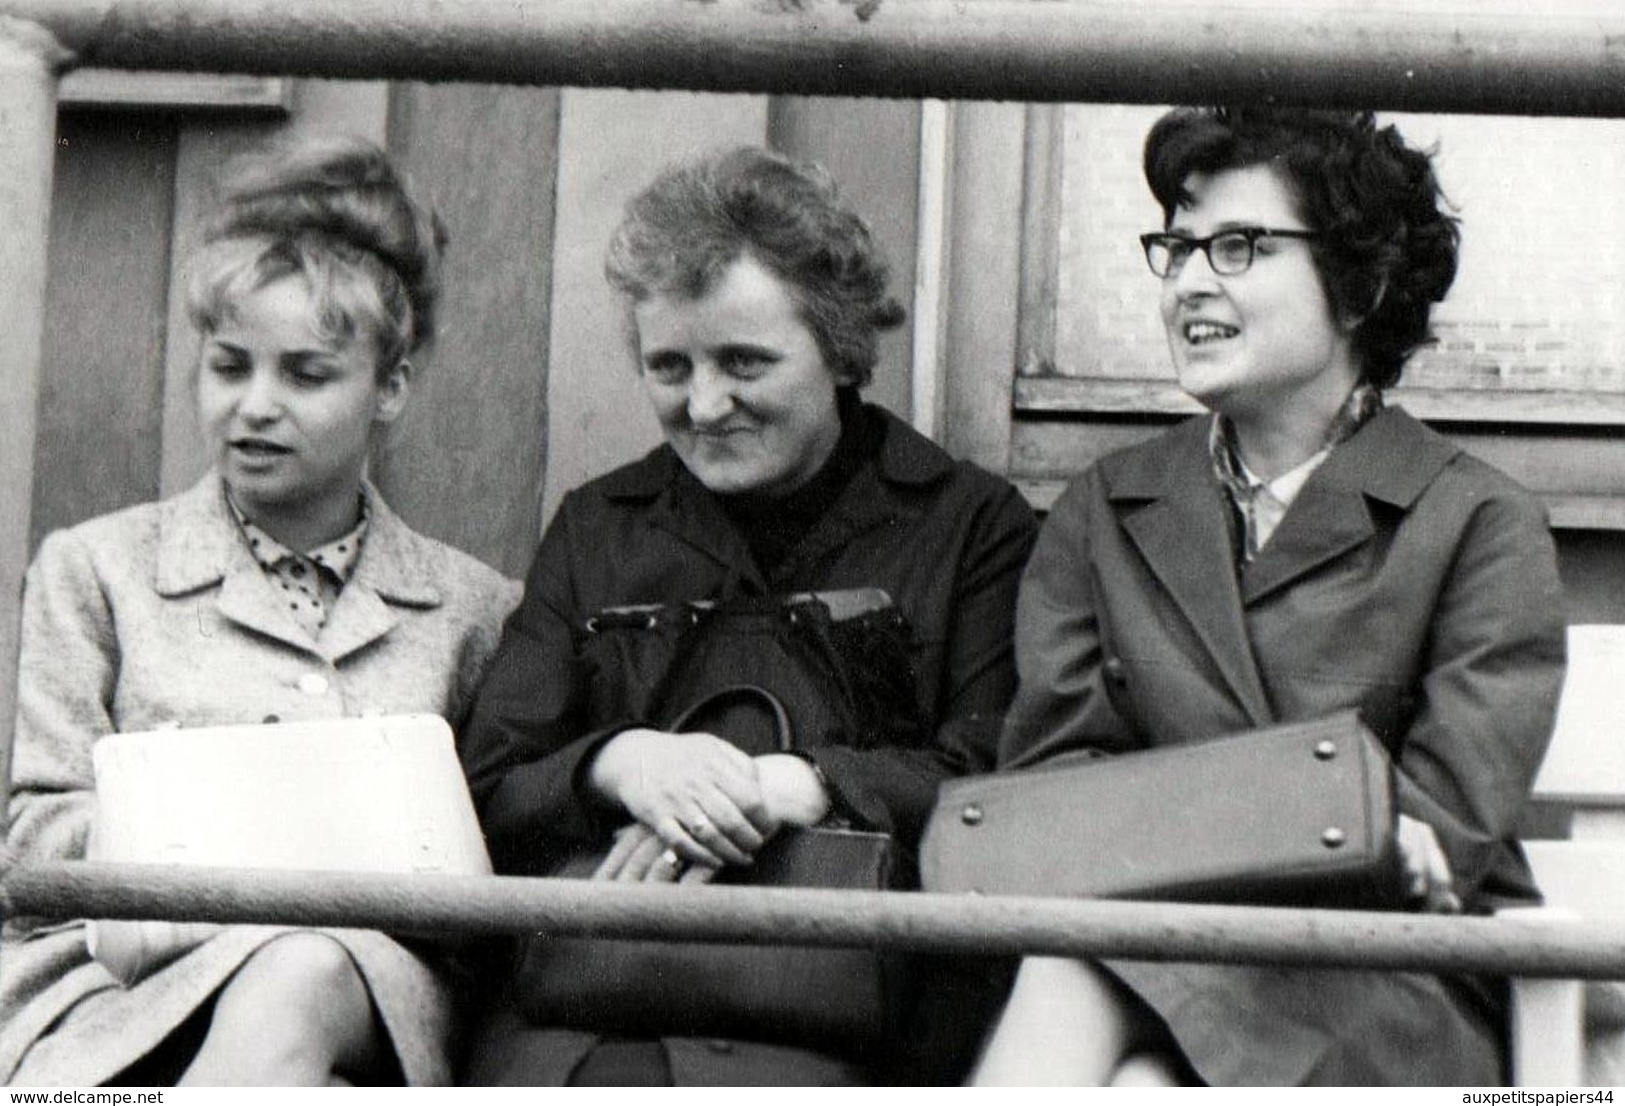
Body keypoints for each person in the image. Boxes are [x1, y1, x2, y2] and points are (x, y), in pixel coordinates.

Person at [972, 106, 1567, 1086]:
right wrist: (1310, 803)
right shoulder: (1101, 509)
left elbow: (1434, 839)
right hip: (1142, 962)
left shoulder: (1474, 521)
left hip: (1381, 990)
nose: (1188, 281)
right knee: (1136, 1082)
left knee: (1084, 983)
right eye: (1176, 246)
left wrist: (1173, 826)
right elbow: (1049, 790)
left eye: (1238, 246)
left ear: (1361, 284)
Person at [458, 145, 1038, 1086]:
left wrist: (803, 784)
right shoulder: (597, 527)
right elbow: (488, 785)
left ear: (841, 346)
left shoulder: (967, 525)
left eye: (743, 362)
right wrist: (623, 764)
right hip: (595, 1009)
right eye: (668, 366)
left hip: (852, 1021)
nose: (703, 404)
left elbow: (1001, 784)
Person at [0, 135, 519, 1087]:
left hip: (361, 993)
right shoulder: (99, 569)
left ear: (390, 386)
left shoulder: (473, 610)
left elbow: (484, 881)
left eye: (306, 375)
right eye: (229, 366)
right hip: (113, 997)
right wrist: (256, 827)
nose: (254, 406)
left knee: (301, 970)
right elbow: (35, 839)